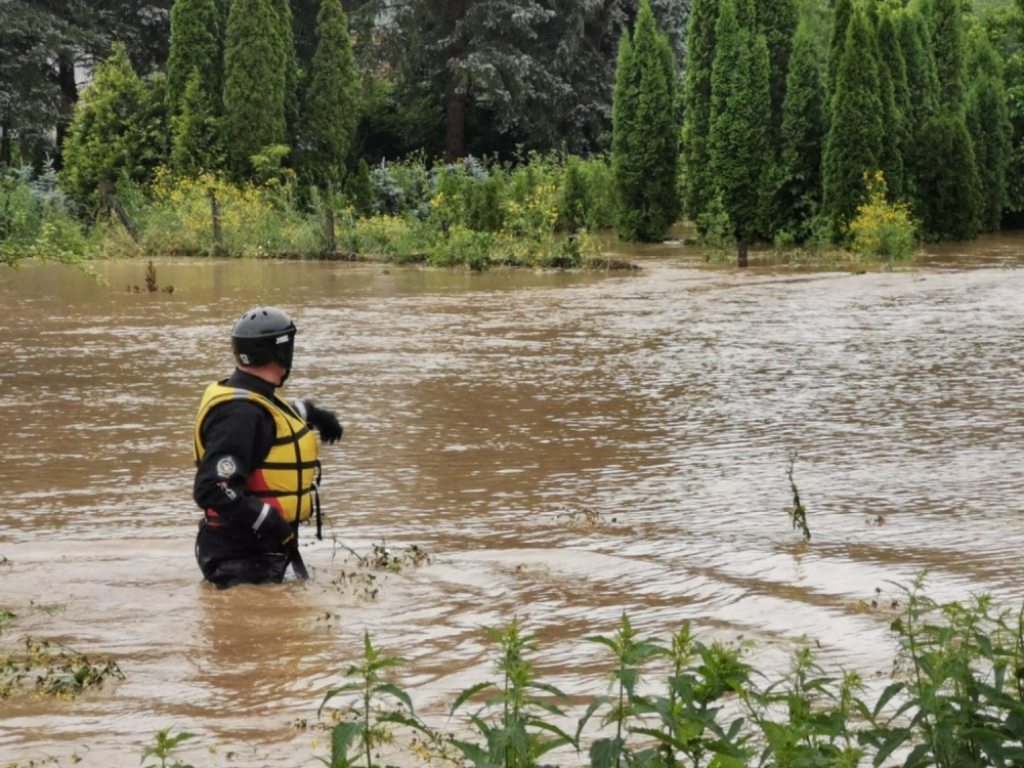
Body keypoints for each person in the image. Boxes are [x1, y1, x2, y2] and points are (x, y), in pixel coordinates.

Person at [192, 306, 343, 589]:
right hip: (240, 557)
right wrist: (269, 520)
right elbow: (212, 487)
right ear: (281, 352)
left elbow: (272, 419)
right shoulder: (241, 414)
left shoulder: (254, 396)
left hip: (256, 551)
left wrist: (311, 412)